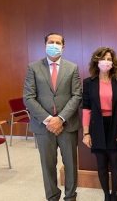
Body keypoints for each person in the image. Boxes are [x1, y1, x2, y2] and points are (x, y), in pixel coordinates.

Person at [23, 33, 82, 201]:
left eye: (58, 43)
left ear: (63, 47)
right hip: (44, 127)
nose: (54, 45)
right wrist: (49, 119)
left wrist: (60, 118)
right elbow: (28, 97)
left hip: (67, 125)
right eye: (51, 42)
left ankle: (70, 197)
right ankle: (52, 197)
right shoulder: (33, 67)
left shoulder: (72, 68)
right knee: (48, 166)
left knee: (70, 165)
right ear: (45, 45)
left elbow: (77, 96)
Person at [81, 47, 117, 201]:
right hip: (97, 125)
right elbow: (86, 108)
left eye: (109, 59)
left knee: (115, 161)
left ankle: (114, 194)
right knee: (101, 163)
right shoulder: (89, 82)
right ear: (96, 61)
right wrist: (86, 133)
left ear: (113, 63)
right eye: (103, 58)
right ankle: (106, 195)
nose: (106, 62)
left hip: (116, 125)